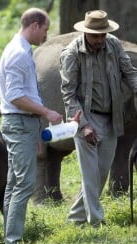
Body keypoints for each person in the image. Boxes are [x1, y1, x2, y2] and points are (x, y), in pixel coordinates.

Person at [60, 10, 137, 226]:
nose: (99, 39)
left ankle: (75, 218)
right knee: (90, 173)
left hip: (112, 117)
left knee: (100, 174)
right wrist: (83, 126)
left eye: (103, 34)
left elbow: (130, 72)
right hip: (85, 117)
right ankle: (96, 222)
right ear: (86, 33)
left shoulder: (113, 44)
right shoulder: (71, 53)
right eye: (95, 35)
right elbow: (68, 94)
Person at [0, 8, 63, 244]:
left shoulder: (21, 50)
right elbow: (15, 96)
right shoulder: (19, 54)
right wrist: (46, 112)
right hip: (19, 122)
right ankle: (13, 241)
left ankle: (9, 236)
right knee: (24, 183)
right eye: (45, 29)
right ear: (34, 25)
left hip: (24, 123)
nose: (45, 35)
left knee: (14, 182)